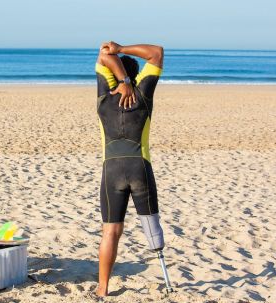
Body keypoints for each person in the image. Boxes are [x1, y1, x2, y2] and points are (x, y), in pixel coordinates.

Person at [94, 41, 166, 297]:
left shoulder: (104, 95)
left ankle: (103, 288)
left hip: (111, 172)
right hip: (140, 170)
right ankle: (166, 280)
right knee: (151, 225)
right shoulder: (143, 94)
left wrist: (119, 76)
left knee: (111, 231)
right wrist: (123, 48)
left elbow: (103, 54)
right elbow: (156, 52)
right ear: (138, 74)